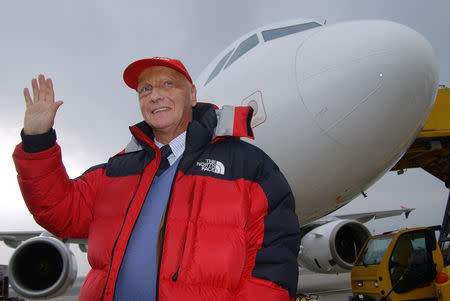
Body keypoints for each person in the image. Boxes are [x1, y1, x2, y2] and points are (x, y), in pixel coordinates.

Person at [13, 57, 300, 301]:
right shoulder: (117, 169)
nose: (154, 95)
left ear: (192, 95)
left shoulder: (250, 167)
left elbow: (272, 266)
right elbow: (58, 211)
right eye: (145, 89)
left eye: (167, 84)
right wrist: (38, 141)